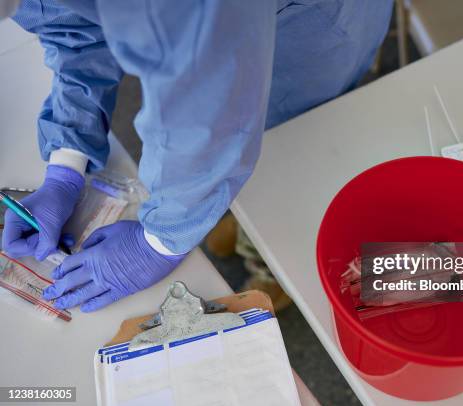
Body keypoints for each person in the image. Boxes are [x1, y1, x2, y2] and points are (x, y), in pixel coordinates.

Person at [1, 0, 393, 312]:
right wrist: (66, 163)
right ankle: (240, 228)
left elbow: (207, 106)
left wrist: (159, 242)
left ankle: (268, 264)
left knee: (294, 150)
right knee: (226, 175)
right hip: (212, 40)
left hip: (302, 29)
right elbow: (73, 31)